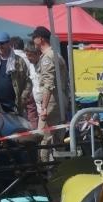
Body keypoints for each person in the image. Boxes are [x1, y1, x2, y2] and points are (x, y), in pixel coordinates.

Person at [32, 25, 69, 159]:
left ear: (40, 39)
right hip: (60, 101)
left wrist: (44, 108)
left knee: (43, 139)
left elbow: (48, 84)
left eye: (34, 37)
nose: (32, 40)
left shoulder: (48, 57)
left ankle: (44, 171)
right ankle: (59, 170)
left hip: (52, 103)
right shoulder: (56, 55)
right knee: (58, 140)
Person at [12, 36, 40, 128]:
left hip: (25, 92)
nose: (28, 58)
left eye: (30, 55)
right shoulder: (28, 59)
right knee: (32, 116)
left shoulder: (14, 58)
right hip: (30, 93)